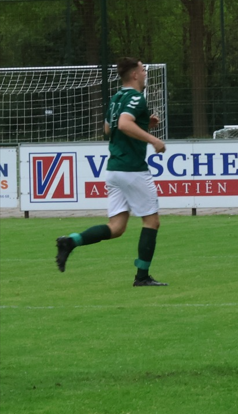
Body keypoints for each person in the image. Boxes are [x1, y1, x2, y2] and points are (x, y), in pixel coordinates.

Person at [55, 57, 168, 286]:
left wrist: (143, 124)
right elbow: (125, 125)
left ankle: (71, 241)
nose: (145, 73)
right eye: (142, 70)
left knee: (116, 227)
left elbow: (108, 128)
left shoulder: (116, 98)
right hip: (132, 169)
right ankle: (142, 277)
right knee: (152, 221)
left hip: (114, 169)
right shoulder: (136, 97)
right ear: (134, 74)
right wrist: (153, 139)